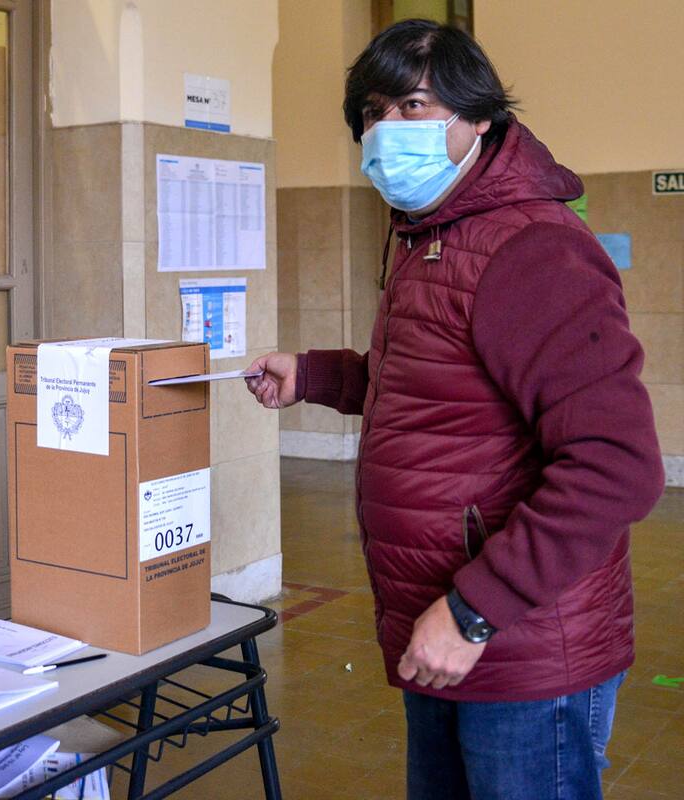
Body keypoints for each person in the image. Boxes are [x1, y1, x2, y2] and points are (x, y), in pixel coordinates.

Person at [246, 20, 663, 800]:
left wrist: (475, 611)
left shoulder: (533, 248)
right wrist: (315, 376)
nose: (385, 131)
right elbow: (440, 391)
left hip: (519, 643)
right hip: (443, 626)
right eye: (372, 113)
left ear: (479, 115)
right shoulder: (429, 234)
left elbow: (616, 466)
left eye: (412, 105)